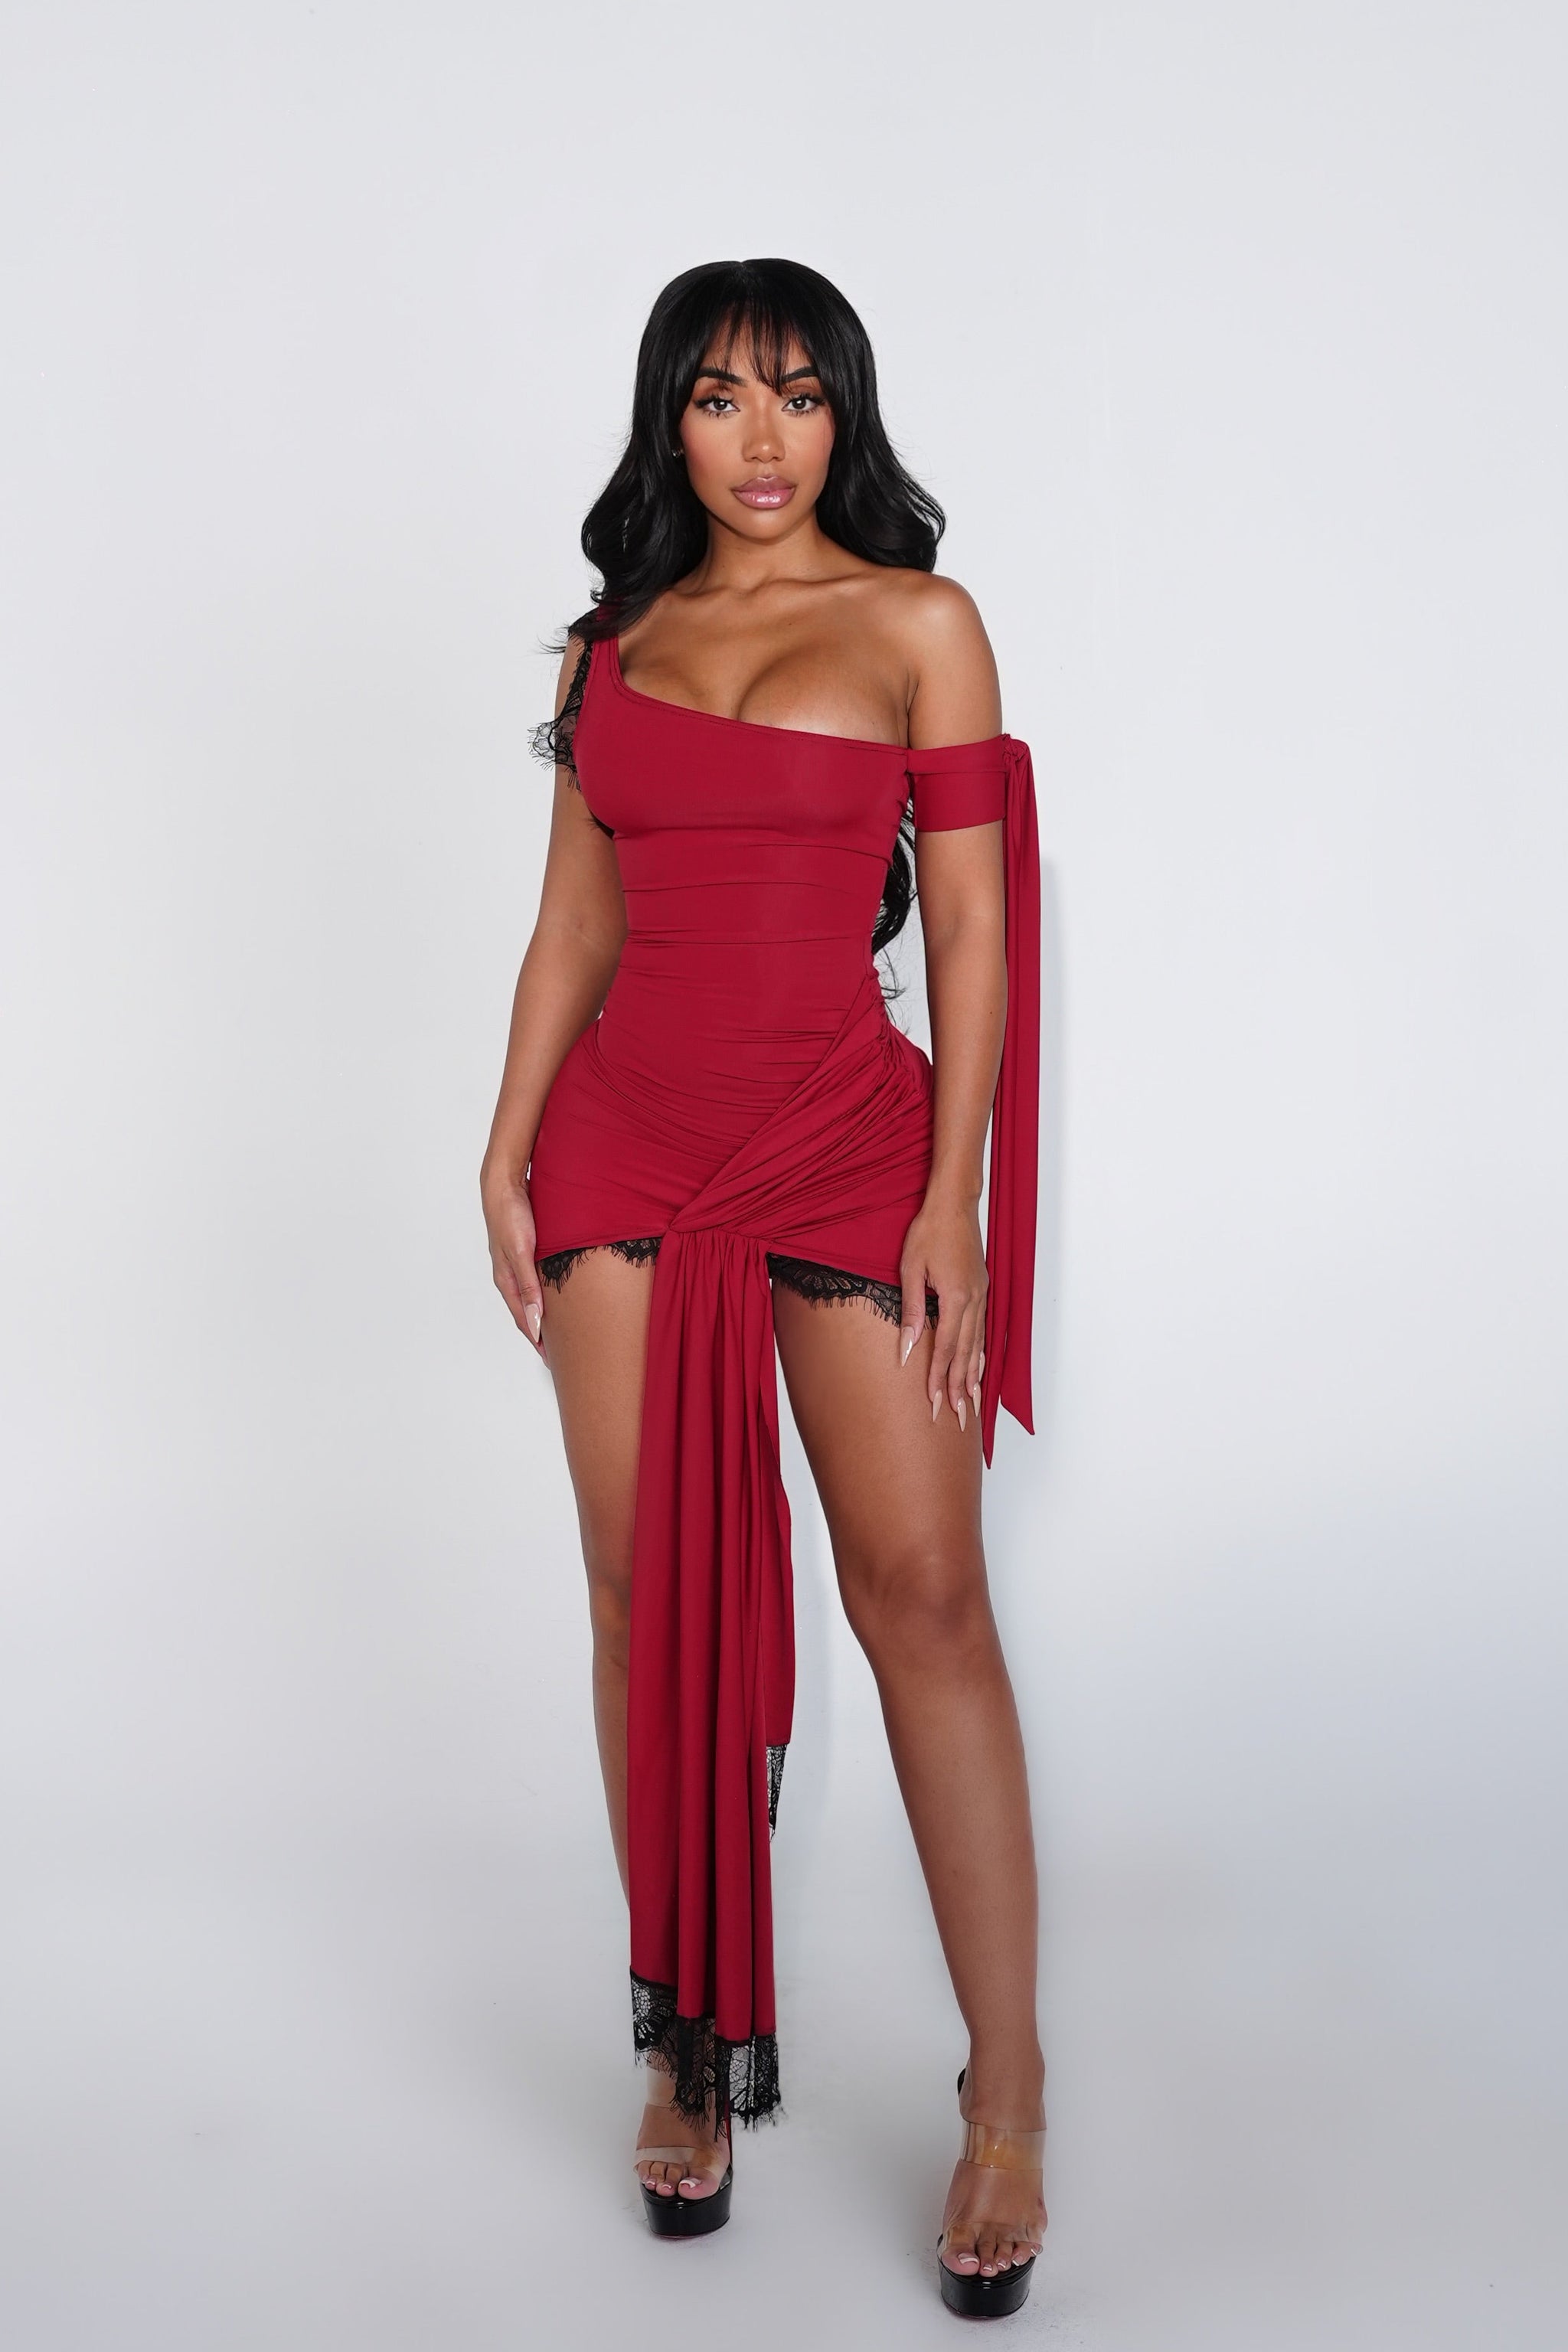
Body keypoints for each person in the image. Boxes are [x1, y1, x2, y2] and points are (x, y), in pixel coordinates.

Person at [480, 258, 1046, 2318]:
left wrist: (954, 1200)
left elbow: (970, 933)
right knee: (643, 1599)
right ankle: (683, 2047)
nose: (764, 437)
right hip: (622, 1145)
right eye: (720, 397)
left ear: (846, 416)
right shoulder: (612, 646)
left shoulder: (919, 627)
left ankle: (1007, 2090)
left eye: (800, 394)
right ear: (670, 422)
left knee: (926, 1599)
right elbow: (575, 927)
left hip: (845, 1146)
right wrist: (502, 1143)